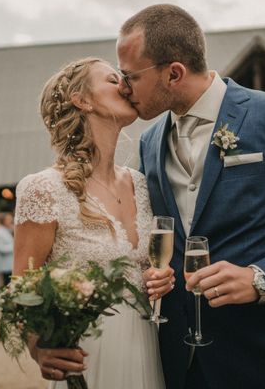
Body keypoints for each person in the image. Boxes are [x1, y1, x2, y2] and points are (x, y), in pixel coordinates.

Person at [116, 4, 265, 389]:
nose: (123, 88)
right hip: (180, 364)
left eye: (130, 76)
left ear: (174, 72)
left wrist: (261, 279)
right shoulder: (149, 142)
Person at [13, 57, 175, 388]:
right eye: (113, 79)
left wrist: (161, 279)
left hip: (145, 346)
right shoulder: (44, 189)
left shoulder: (141, 184)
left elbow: (144, 269)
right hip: (88, 355)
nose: (126, 85)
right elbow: (21, 289)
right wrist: (37, 349)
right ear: (82, 100)